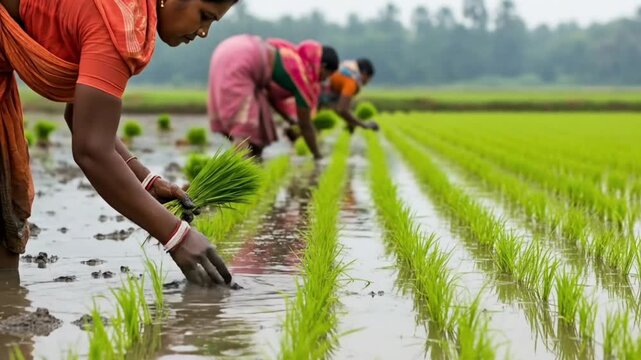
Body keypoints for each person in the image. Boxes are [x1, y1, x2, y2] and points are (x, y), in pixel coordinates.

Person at [0, 0, 238, 287]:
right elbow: (91, 151)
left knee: (5, 230)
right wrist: (177, 236)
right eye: (204, 16)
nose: (204, 32)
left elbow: (80, 118)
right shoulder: (119, 20)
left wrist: (148, 181)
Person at [208, 34, 340, 159]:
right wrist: (317, 155)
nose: (325, 80)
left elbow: (272, 99)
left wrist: (290, 121)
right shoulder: (301, 75)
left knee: (257, 131)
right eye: (328, 75)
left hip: (229, 49)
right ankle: (234, 175)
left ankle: (249, 172)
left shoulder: (291, 56)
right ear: (322, 67)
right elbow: (305, 124)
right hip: (243, 60)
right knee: (244, 131)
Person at [321, 58, 379, 132]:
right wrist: (364, 125)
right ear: (364, 74)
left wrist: (351, 122)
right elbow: (342, 109)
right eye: (368, 79)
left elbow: (344, 105)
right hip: (320, 90)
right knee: (306, 123)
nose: (367, 83)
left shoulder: (348, 70)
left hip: (325, 91)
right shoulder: (352, 82)